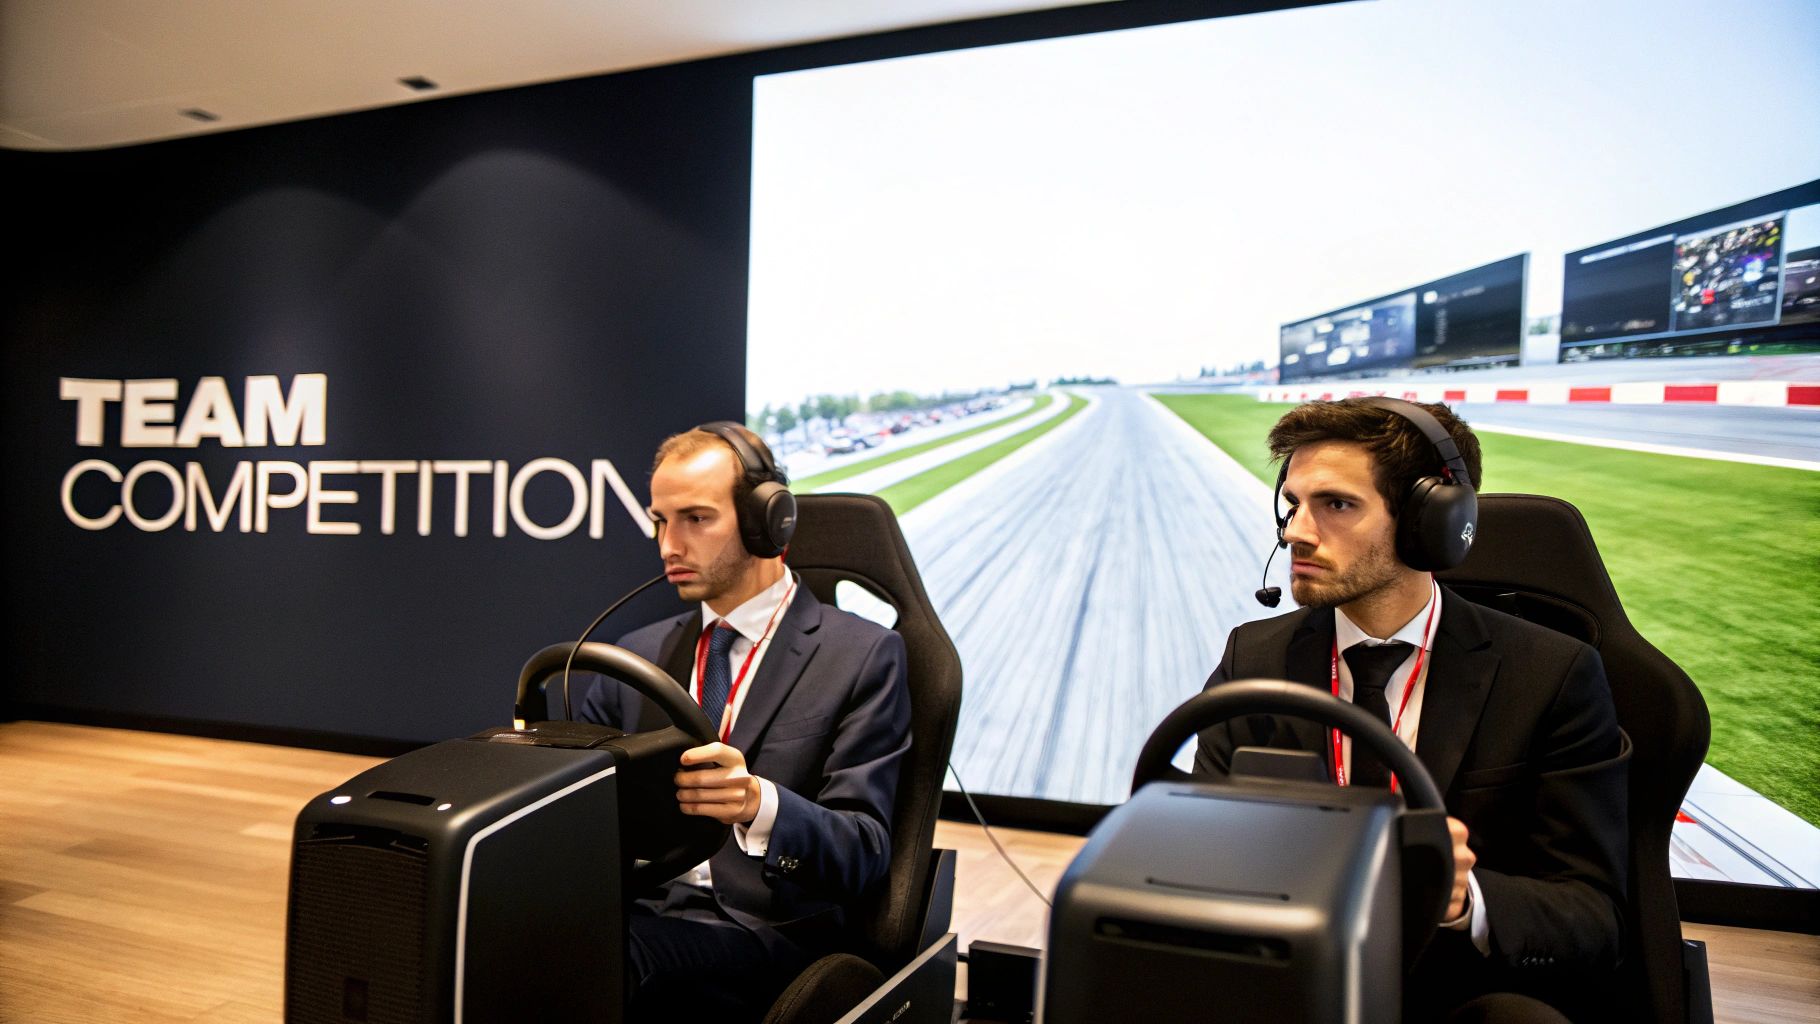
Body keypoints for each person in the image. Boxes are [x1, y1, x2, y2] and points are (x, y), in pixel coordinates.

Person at [1194, 397, 1628, 1023]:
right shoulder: (1253, 657)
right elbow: (1194, 840)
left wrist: (1460, 897)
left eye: (1336, 505)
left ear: (1432, 522)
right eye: (1293, 504)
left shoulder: (1550, 675)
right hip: (1287, 981)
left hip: (1454, 994)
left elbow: (1595, 917)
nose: (1295, 531)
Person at [576, 422, 910, 1022]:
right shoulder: (635, 656)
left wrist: (759, 803)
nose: (668, 545)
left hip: (767, 931)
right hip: (640, 909)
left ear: (766, 522)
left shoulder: (862, 656)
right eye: (659, 520)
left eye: (696, 519)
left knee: (589, 960)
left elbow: (865, 850)